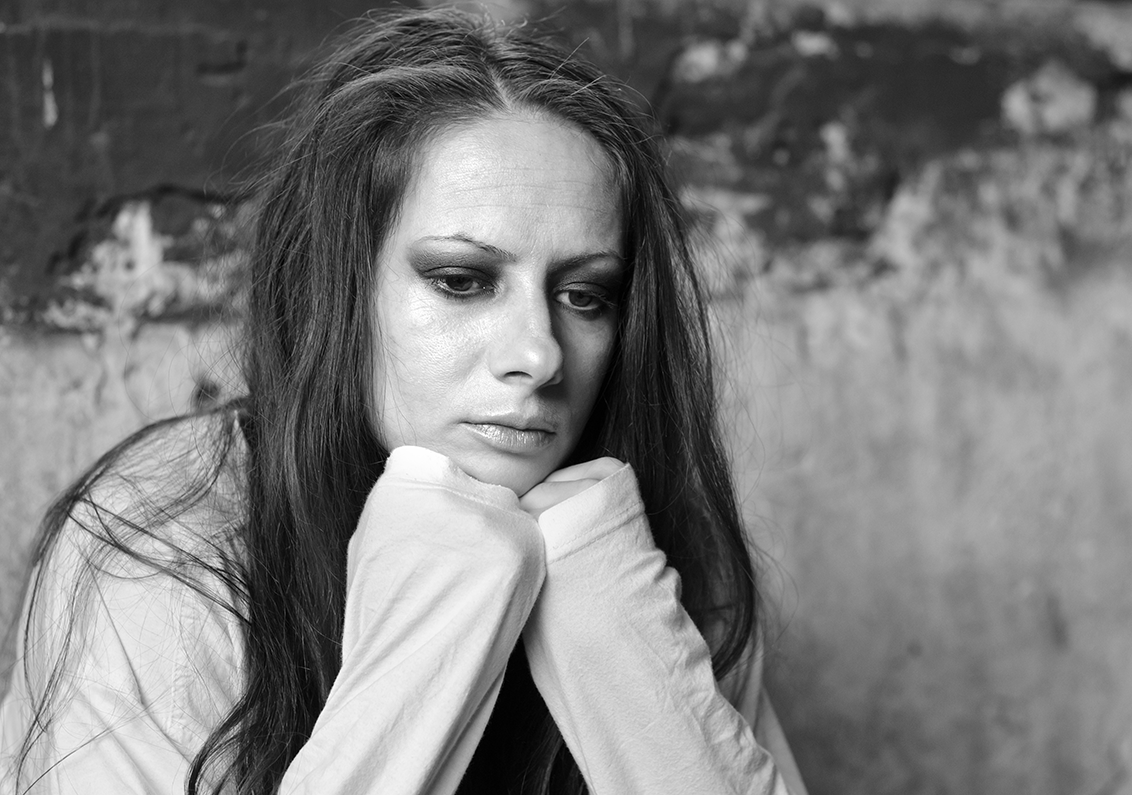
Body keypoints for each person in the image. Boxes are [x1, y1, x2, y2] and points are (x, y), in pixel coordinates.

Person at [0, 7, 807, 794]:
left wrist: (623, 642)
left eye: (585, 294)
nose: (539, 354)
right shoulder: (168, 543)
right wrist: (433, 633)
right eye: (462, 281)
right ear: (339, 289)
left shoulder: (649, 550)